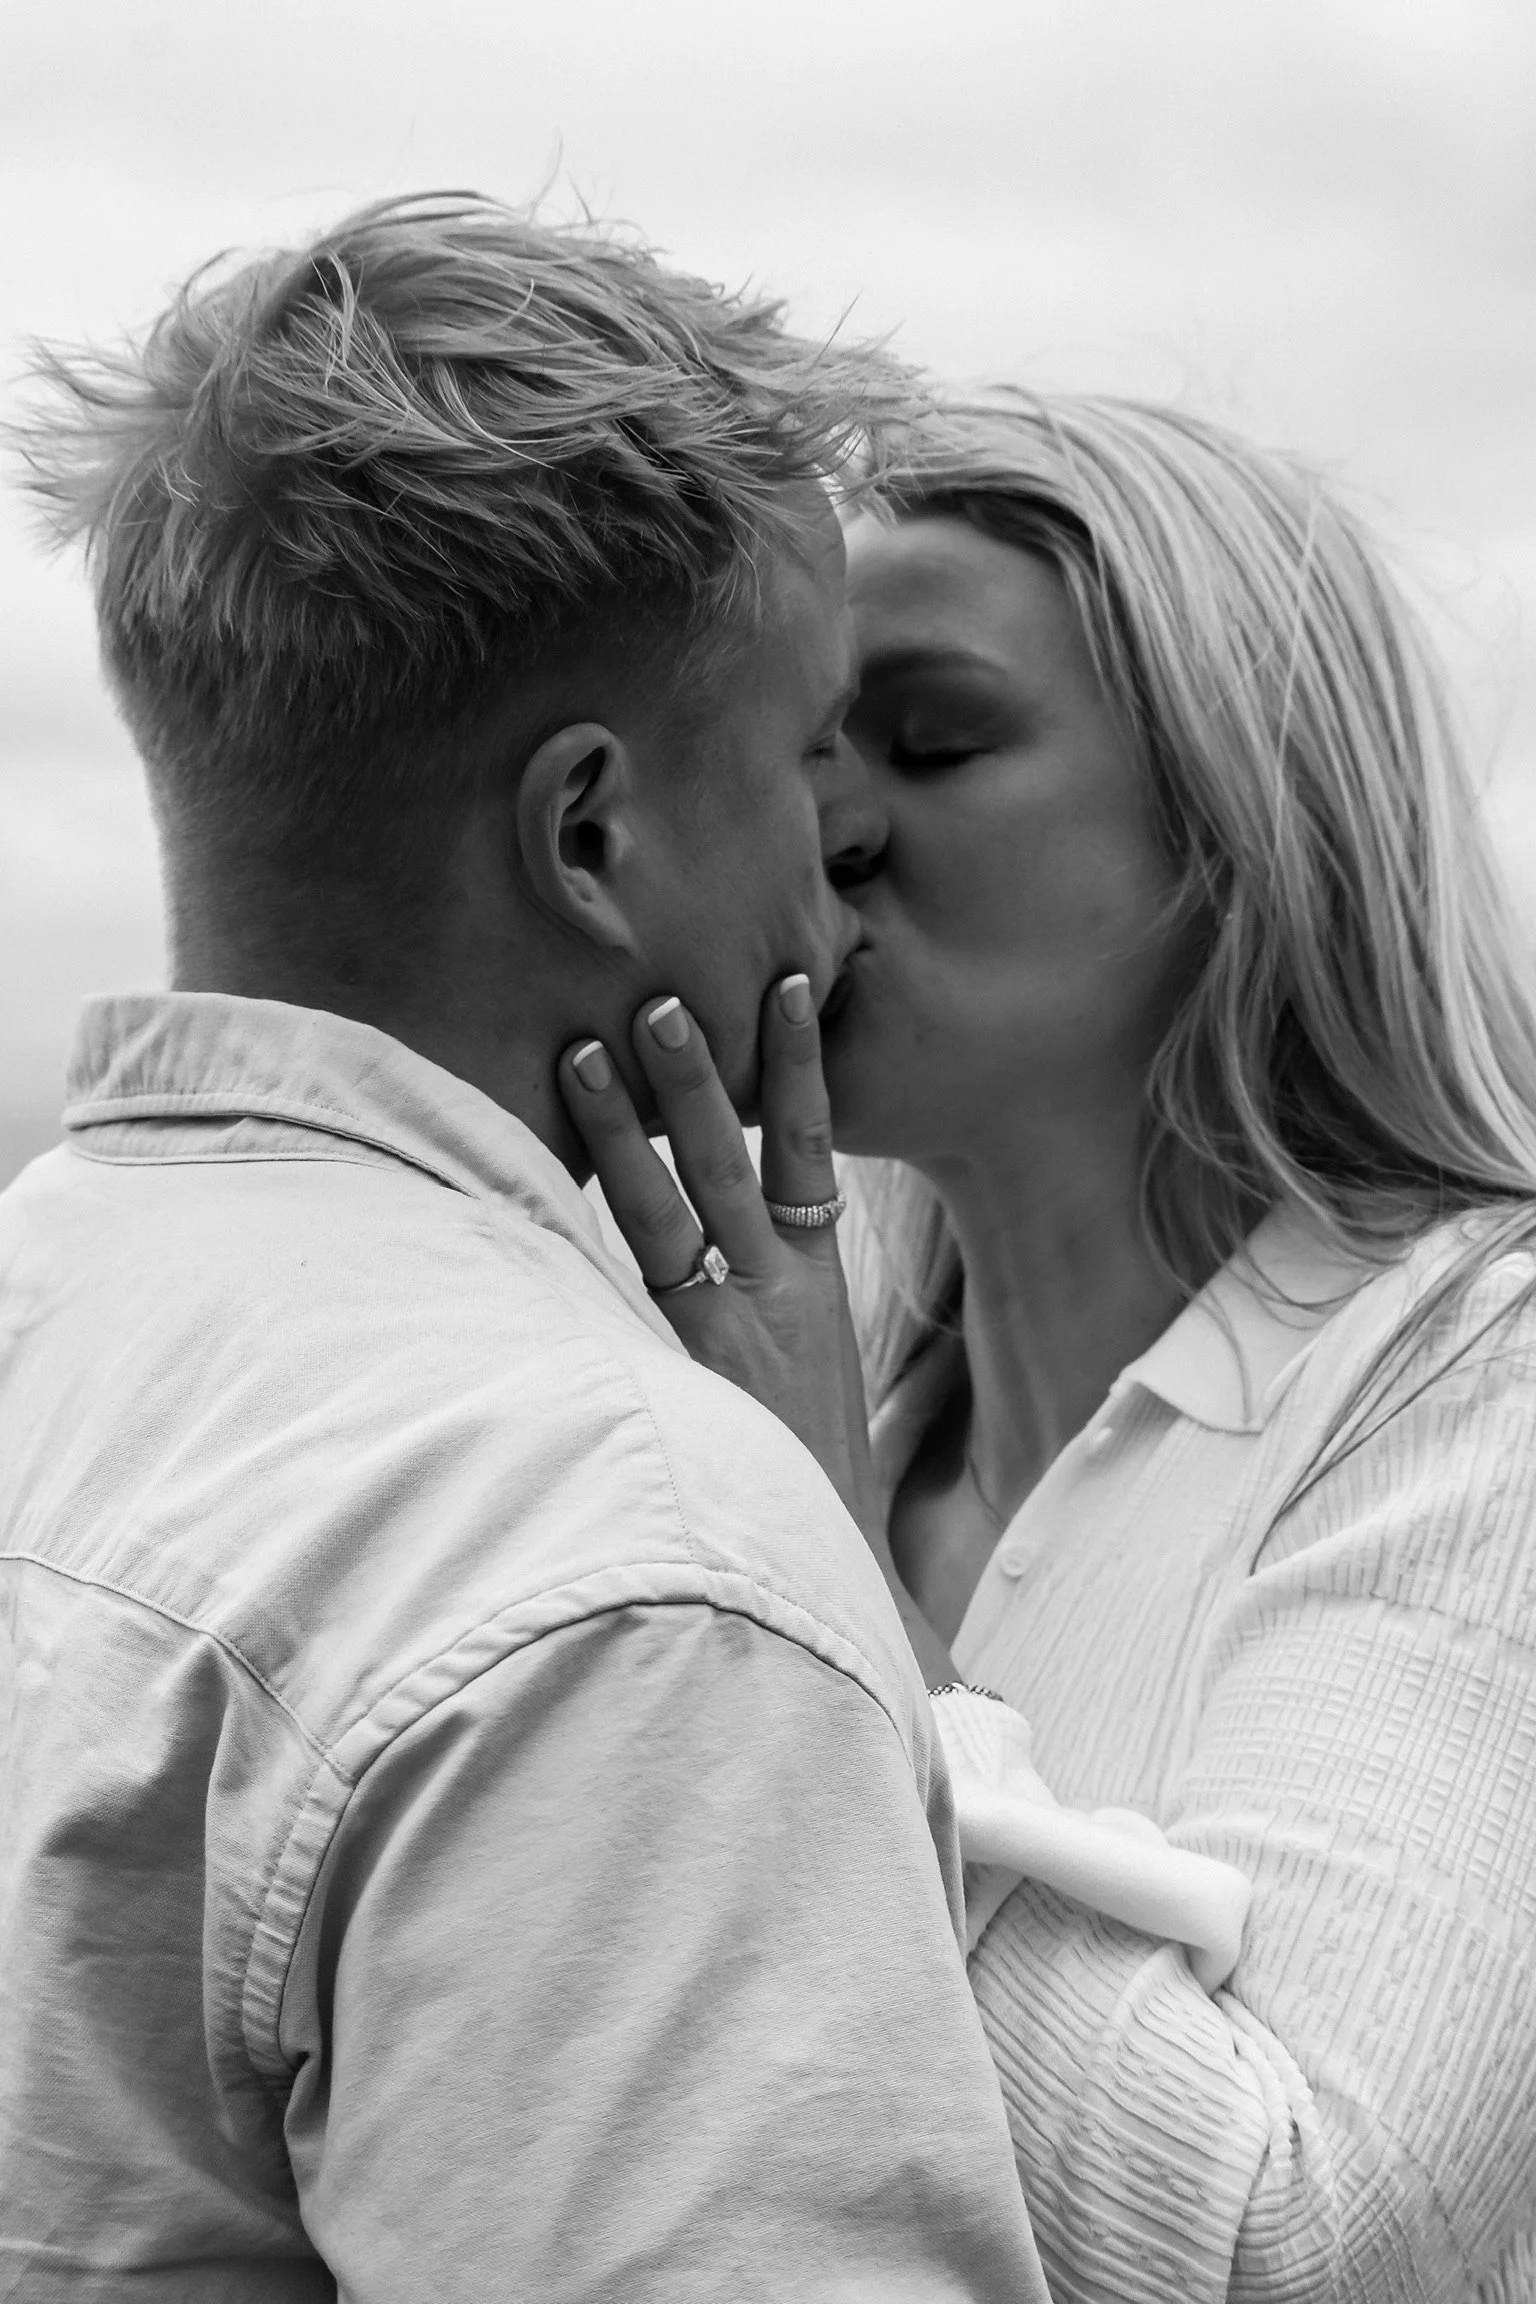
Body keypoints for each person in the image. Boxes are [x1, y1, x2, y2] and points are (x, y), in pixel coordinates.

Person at [0, 200, 1053, 2301]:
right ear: (590, 833)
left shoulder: (49, 1304)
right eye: (799, 753)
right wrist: (780, 1539)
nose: (838, 868)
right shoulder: (629, 1555)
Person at [574, 392, 1536, 2299]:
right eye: (796, 747)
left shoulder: (1475, 1377)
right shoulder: (782, 1408)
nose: (822, 827)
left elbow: (1310, 2244)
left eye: (931, 741)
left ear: (1247, 817)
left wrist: (821, 1586)